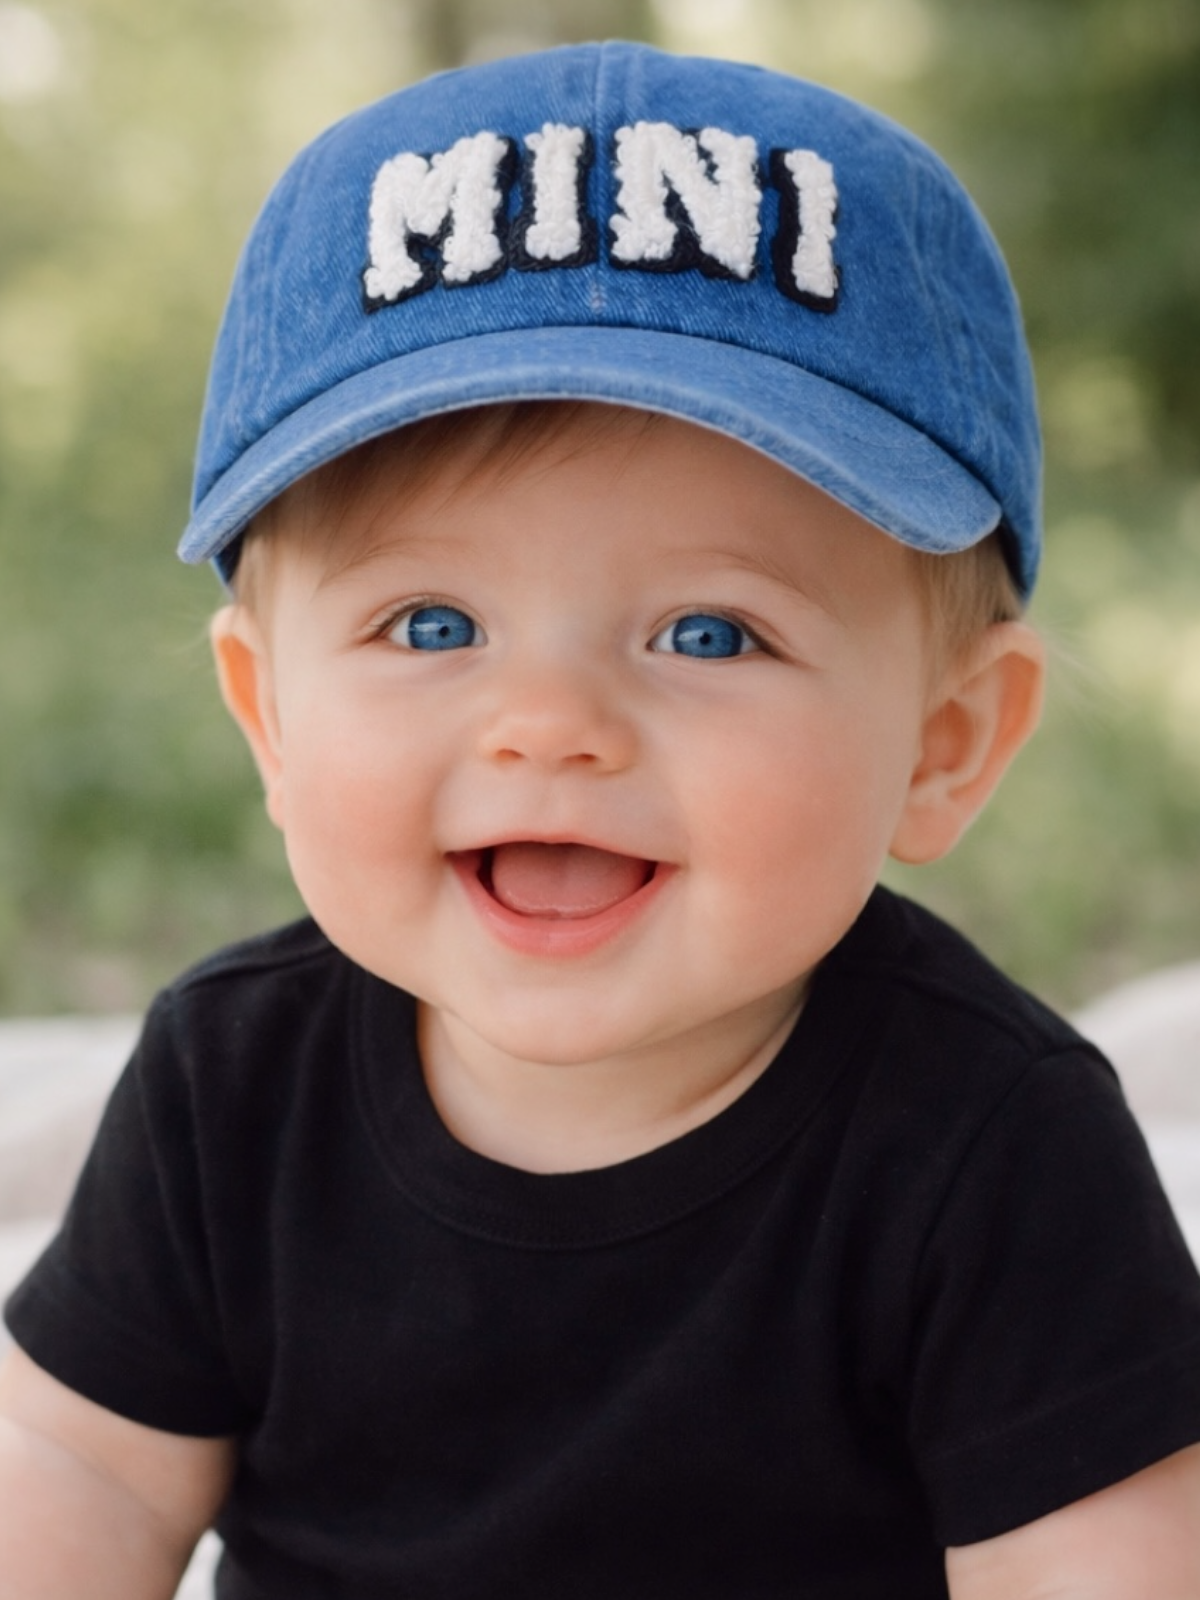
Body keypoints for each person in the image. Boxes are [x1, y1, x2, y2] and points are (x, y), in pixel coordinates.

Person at [2, 40, 1198, 1600]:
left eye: (710, 634)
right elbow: (79, 1466)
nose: (551, 726)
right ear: (269, 716)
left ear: (945, 744)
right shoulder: (233, 1088)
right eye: (432, 625)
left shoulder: (992, 1144)